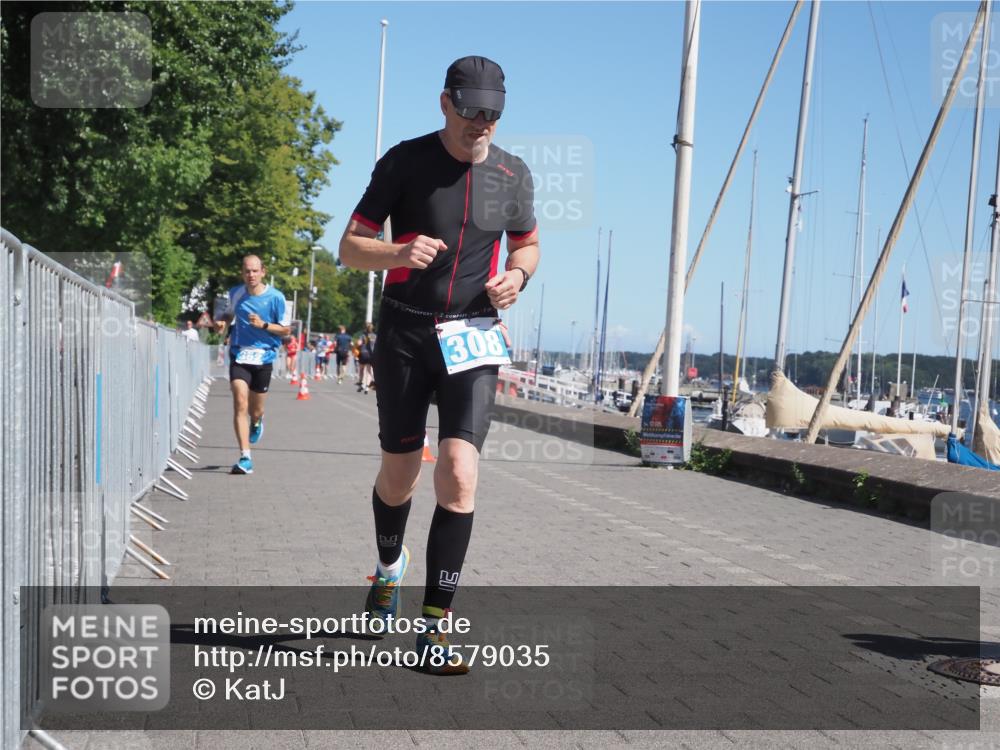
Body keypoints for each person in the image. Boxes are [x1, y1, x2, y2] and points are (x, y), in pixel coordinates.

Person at [339, 55, 538, 673]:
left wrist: (517, 276)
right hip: (404, 332)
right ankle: (388, 567)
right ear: (446, 103)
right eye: (472, 109)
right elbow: (348, 248)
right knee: (399, 475)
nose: (483, 123)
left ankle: (435, 627)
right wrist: (396, 250)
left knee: (458, 471)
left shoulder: (513, 174)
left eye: (494, 113)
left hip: (473, 335)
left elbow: (528, 243)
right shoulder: (405, 161)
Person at [215, 255, 291, 474]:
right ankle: (245, 457)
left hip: (264, 358)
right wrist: (223, 322)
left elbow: (286, 329)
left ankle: (257, 422)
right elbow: (229, 314)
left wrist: (264, 325)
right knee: (240, 402)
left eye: (255, 271)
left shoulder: (276, 297)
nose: (251, 275)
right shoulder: (236, 292)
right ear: (242, 273)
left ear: (263, 272)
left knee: (255, 410)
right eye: (247, 271)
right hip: (240, 355)